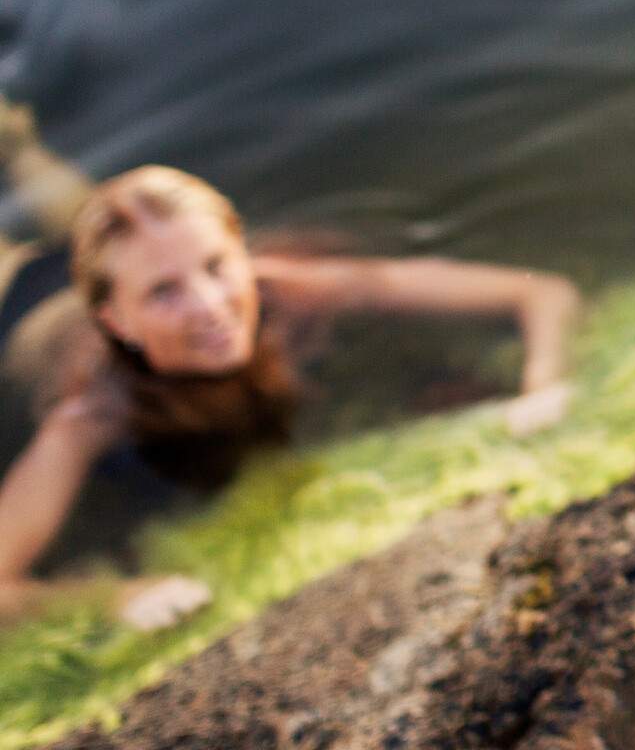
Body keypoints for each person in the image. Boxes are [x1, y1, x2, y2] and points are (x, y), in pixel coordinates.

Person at [0, 101, 582, 630]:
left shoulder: (288, 289)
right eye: (165, 294)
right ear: (119, 323)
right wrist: (116, 599)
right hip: (25, 308)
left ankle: (16, 141)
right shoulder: (93, 411)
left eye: (216, 266)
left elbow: (540, 293)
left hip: (115, 270)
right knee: (24, 258)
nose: (210, 307)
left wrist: (542, 382)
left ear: (241, 251)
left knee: (85, 215)